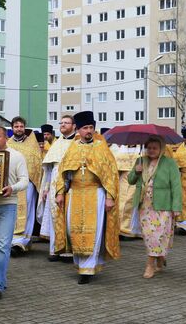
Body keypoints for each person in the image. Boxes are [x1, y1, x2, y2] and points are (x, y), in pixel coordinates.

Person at [55, 111, 120, 284]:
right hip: (75, 194)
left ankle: (88, 269)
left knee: (94, 231)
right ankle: (80, 265)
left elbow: (111, 174)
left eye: (91, 127)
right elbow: (63, 171)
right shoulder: (73, 148)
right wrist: (60, 192)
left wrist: (110, 196)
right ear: (78, 129)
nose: (89, 131)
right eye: (85, 128)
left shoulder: (101, 148)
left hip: (95, 194)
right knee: (74, 230)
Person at [0, 126, 28, 298]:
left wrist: (12, 188)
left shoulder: (16, 156)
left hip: (8, 204)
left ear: (6, 137)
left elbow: (25, 180)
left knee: (2, 246)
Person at [128, 136, 182, 278]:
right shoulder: (140, 161)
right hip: (144, 205)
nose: (151, 151)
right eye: (149, 148)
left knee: (157, 234)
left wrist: (177, 207)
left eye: (154, 148)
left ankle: (150, 265)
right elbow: (130, 180)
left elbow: (176, 186)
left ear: (161, 149)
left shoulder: (169, 163)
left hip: (163, 205)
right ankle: (159, 257)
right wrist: (136, 171)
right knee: (148, 235)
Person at [38, 115, 77, 262]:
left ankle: (69, 251)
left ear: (74, 126)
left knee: (69, 216)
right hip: (54, 181)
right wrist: (46, 188)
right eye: (61, 123)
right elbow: (48, 169)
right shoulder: (56, 143)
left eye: (66, 123)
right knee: (55, 215)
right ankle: (55, 249)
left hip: (72, 183)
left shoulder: (77, 142)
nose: (63, 125)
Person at [7, 117, 42, 252]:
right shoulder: (8, 144)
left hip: (28, 182)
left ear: (24, 128)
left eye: (21, 126)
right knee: (13, 210)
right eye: (16, 127)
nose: (19, 129)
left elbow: (37, 163)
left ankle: (23, 241)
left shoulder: (31, 144)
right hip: (12, 183)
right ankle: (12, 240)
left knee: (27, 210)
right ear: (12, 129)